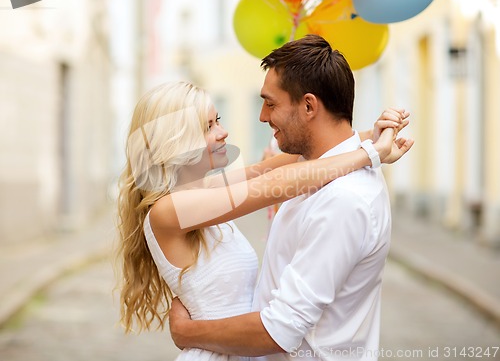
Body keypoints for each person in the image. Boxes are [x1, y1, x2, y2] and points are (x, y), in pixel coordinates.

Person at [116, 82, 411, 359]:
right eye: (208, 127)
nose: (223, 132)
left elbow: (271, 168)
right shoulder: (168, 210)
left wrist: (369, 136)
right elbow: (277, 183)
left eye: (217, 120)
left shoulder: (199, 191)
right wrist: (369, 154)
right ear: (175, 141)